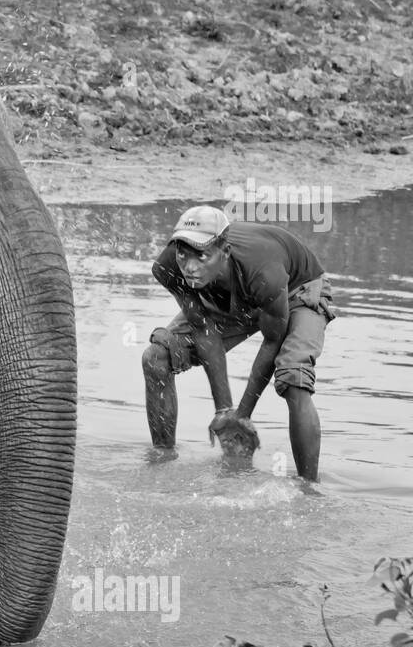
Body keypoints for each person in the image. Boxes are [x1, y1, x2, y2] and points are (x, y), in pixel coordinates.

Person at [142, 205, 336, 480]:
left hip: (295, 289)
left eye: (201, 257)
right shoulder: (169, 268)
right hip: (236, 298)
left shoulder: (264, 272)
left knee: (293, 376)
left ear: (225, 252)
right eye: (183, 256)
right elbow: (203, 328)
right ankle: (162, 464)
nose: (190, 268)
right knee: (156, 357)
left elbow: (273, 340)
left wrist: (242, 415)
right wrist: (224, 411)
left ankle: (308, 490)